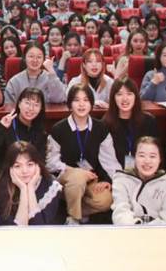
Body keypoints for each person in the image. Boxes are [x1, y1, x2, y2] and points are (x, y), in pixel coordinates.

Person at [0, 86, 51, 225]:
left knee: (34, 217)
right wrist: (0, 129)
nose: (31, 108)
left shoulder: (40, 132)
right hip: (0, 181)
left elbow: (40, 162)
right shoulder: (6, 124)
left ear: (41, 108)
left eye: (36, 105)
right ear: (19, 104)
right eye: (27, 103)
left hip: (28, 180)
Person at [49, 85, 119, 224]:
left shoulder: (101, 128)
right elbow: (50, 162)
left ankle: (72, 208)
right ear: (70, 104)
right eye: (76, 100)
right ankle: (74, 218)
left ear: (91, 103)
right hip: (66, 178)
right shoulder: (58, 129)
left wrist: (108, 180)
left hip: (91, 179)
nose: (81, 104)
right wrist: (75, 171)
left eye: (86, 100)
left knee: (106, 200)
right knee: (78, 178)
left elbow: (110, 161)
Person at [111, 136, 166, 225]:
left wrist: (147, 229)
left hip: (160, 232)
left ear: (160, 159)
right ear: (134, 157)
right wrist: (136, 227)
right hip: (130, 231)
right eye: (142, 155)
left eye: (152, 156)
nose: (147, 161)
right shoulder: (121, 180)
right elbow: (120, 212)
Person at [0, 141, 64, 226]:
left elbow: (39, 228)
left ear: (37, 165)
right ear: (10, 169)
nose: (24, 171)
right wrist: (23, 189)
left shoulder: (52, 188)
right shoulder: (2, 187)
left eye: (30, 164)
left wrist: (30, 188)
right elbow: (16, 230)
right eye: (17, 166)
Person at [102, 77, 159, 170]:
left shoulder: (149, 121)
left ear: (135, 96)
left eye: (129, 94)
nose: (125, 99)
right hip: (115, 173)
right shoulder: (106, 123)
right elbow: (104, 158)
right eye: (119, 94)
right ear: (113, 98)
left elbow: (156, 153)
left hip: (145, 171)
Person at [3, 41, 66, 106]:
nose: (35, 60)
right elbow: (8, 106)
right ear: (24, 58)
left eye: (39, 57)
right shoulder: (14, 81)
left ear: (44, 59)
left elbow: (60, 99)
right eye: (31, 56)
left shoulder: (50, 78)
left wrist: (52, 73)